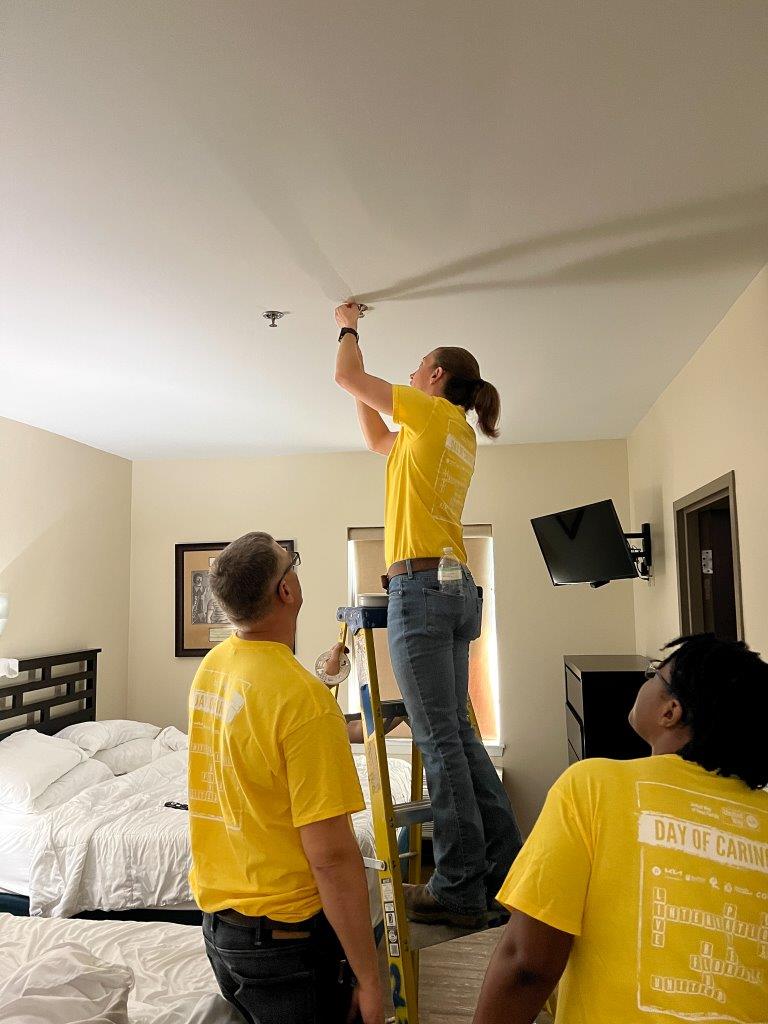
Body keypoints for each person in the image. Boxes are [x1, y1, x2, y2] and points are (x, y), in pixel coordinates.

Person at [334, 302, 522, 929]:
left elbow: (347, 376)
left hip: (422, 589)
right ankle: (505, 875)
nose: (410, 378)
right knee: (461, 739)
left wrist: (347, 323)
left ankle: (459, 889)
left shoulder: (432, 412)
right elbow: (374, 438)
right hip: (456, 589)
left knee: (440, 741)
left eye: (416, 370)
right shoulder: (450, 431)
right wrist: (370, 398)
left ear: (437, 377)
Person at [473, 633, 768, 1024]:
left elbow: (526, 964)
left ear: (671, 712)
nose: (643, 682)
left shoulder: (593, 786)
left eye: (653, 675)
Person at [187, 532, 383, 1024]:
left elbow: (268, 729)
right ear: (287, 591)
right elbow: (334, 859)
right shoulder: (301, 701)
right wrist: (371, 977)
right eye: (291, 563)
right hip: (284, 944)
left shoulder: (213, 668)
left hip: (221, 932)